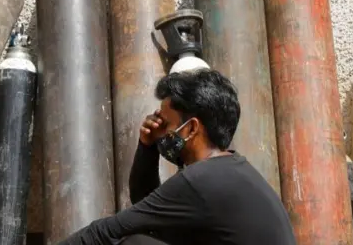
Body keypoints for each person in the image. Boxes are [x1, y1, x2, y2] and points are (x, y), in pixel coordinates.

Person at [59, 69, 297, 245]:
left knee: (135, 244)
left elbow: (108, 231)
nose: (160, 130)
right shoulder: (230, 171)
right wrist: (148, 147)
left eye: (165, 123)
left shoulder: (202, 180)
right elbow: (149, 207)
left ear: (191, 128)